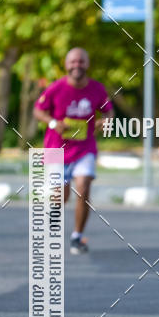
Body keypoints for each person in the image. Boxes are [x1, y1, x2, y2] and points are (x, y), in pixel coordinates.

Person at [34, 47, 113, 254]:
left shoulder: (96, 88)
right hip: (55, 148)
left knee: (84, 187)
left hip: (84, 148)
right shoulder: (56, 88)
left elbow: (108, 111)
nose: (77, 65)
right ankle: (53, 214)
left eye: (81, 61)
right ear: (66, 65)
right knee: (60, 195)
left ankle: (77, 237)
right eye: (73, 62)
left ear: (87, 64)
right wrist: (53, 123)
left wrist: (105, 122)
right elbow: (38, 110)